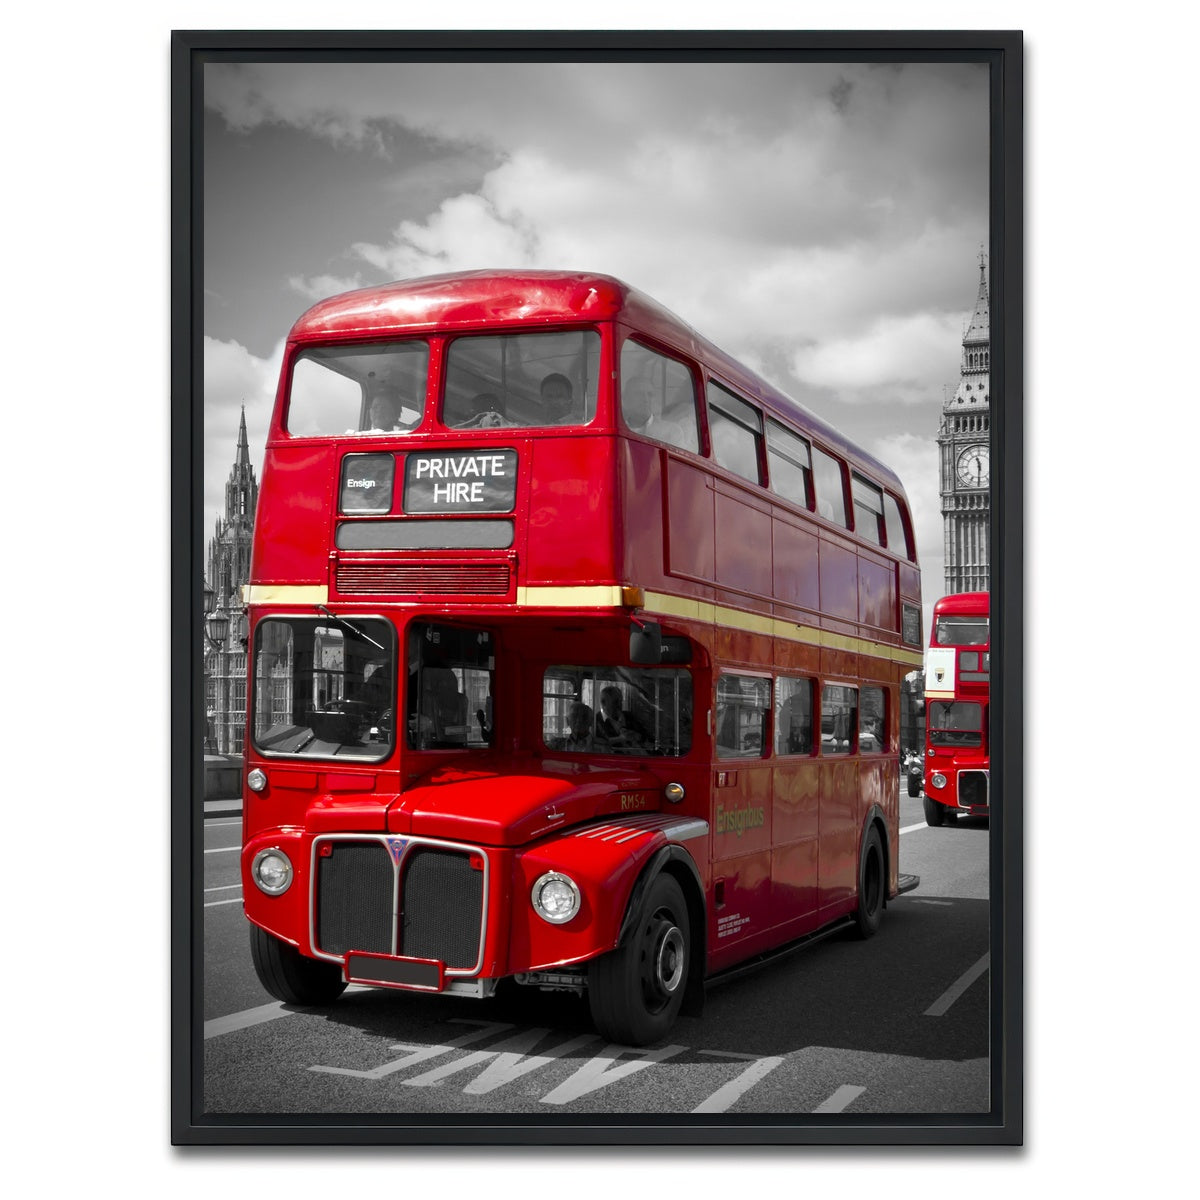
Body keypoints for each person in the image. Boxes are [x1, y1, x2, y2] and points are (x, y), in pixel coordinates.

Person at [621, 371, 690, 447]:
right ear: (625, 398)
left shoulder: (671, 431)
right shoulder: (618, 430)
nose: (646, 399)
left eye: (650, 395)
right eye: (639, 394)